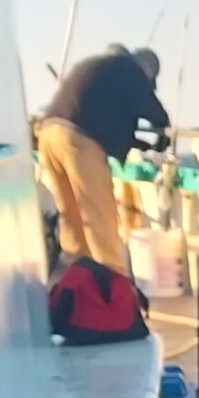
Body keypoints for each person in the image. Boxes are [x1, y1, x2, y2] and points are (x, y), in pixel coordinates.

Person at [34, 43, 166, 274]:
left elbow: (105, 121)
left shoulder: (96, 67)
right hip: (77, 142)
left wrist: (138, 143)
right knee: (99, 216)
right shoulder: (128, 69)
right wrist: (162, 136)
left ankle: (79, 282)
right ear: (147, 68)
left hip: (48, 135)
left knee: (72, 217)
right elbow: (154, 112)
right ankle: (113, 286)